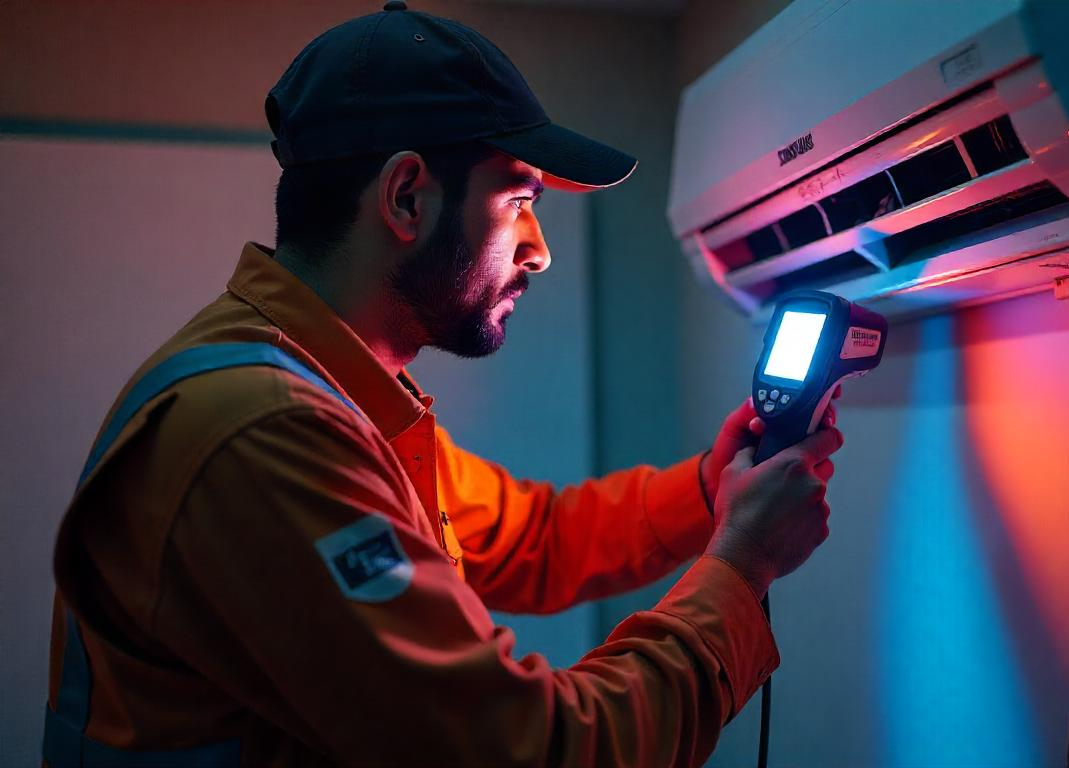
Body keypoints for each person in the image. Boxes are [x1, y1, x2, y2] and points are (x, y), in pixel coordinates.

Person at [42, 3, 843, 766]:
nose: (540, 252)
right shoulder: (265, 432)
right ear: (405, 197)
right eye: (520, 201)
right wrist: (742, 569)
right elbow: (534, 753)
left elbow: (532, 539)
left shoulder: (335, 394)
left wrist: (711, 493)